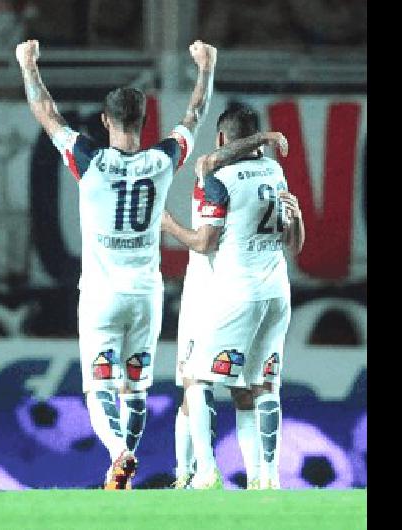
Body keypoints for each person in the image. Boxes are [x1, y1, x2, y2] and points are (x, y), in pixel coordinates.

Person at [15, 37, 216, 489]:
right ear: (144, 121)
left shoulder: (90, 161)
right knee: (137, 387)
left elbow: (47, 113)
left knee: (99, 386)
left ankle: (117, 453)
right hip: (146, 293)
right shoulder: (163, 159)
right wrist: (205, 67)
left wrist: (28, 67)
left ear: (105, 120)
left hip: (102, 295)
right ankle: (125, 462)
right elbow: (195, 115)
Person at [161, 104, 305, 490]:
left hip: (231, 291)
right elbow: (294, 240)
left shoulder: (217, 177)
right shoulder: (275, 171)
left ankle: (202, 473)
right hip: (275, 291)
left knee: (195, 379)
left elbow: (205, 241)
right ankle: (266, 477)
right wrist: (266, 140)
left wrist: (169, 225)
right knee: (257, 386)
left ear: (222, 138)